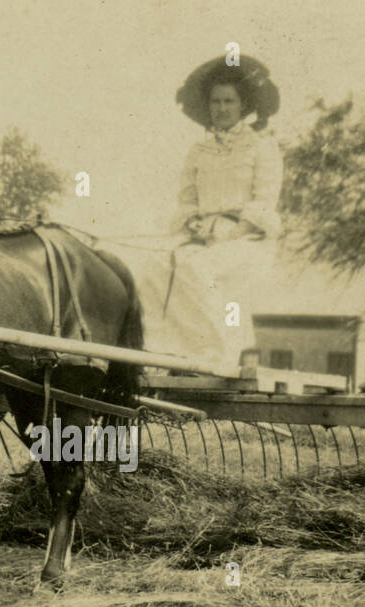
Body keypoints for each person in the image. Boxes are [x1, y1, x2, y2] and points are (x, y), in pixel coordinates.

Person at [112, 56, 283, 377]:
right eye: (215, 101)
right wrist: (192, 222)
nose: (221, 108)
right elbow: (187, 202)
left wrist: (229, 230)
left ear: (242, 105)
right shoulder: (198, 152)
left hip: (248, 241)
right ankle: (167, 355)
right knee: (155, 269)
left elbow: (264, 202)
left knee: (196, 267)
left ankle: (214, 357)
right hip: (203, 238)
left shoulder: (262, 147)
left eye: (228, 101)